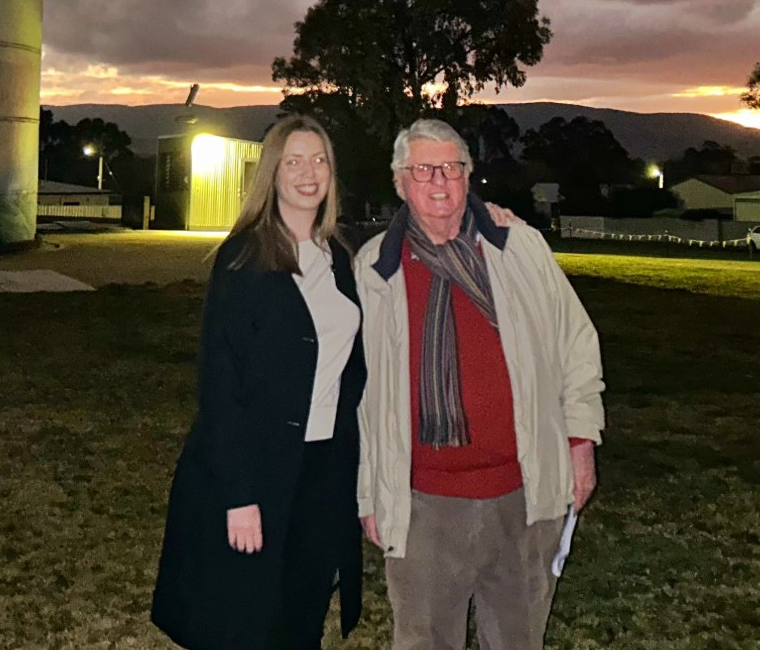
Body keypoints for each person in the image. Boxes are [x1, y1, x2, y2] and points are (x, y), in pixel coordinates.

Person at [355, 118, 605, 650]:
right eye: (424, 170)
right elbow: (361, 397)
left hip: (521, 494)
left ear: (469, 176)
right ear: (400, 181)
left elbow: (575, 345)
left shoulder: (519, 248)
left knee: (516, 640)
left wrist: (580, 443)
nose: (440, 182)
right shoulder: (373, 269)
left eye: (452, 167)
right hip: (422, 504)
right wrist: (368, 492)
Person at [153, 116, 368, 650]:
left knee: (303, 610)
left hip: (322, 468)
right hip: (258, 467)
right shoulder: (245, 257)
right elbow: (220, 385)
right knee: (248, 618)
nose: (308, 172)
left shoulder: (339, 258)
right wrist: (240, 496)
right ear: (271, 175)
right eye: (293, 161)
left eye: (319, 160)